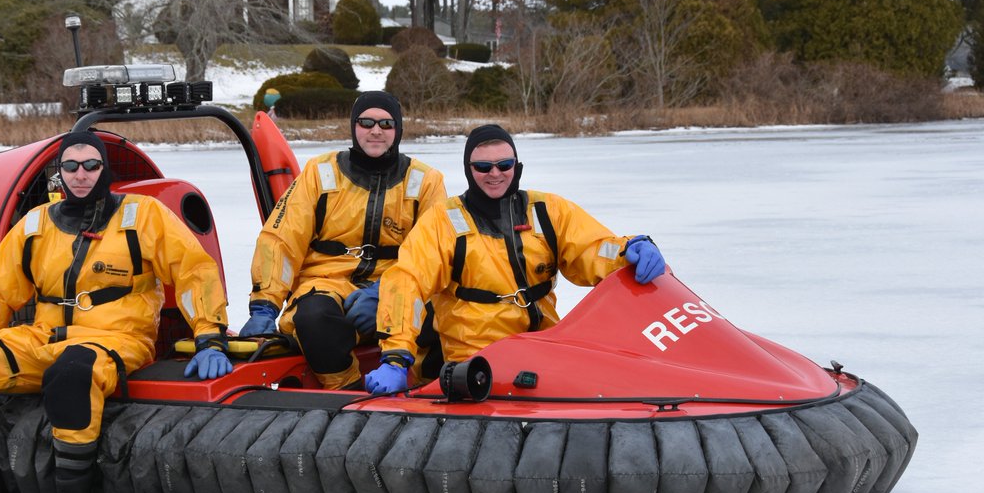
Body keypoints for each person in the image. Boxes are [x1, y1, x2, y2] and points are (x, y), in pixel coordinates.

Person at [0, 131, 233, 493]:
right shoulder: (36, 225)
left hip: (117, 337)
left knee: (72, 370)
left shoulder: (142, 216)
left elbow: (194, 271)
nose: (81, 175)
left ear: (105, 169)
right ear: (59, 173)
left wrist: (209, 336)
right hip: (44, 337)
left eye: (91, 165)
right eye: (71, 167)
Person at [365, 124, 666, 394]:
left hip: (546, 347)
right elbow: (407, 281)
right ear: (469, 169)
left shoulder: (548, 210)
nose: (494, 174)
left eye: (504, 165)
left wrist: (628, 250)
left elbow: (592, 249)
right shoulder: (443, 222)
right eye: (483, 166)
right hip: (476, 360)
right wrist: (395, 357)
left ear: (516, 166)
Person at [239, 91, 446, 389]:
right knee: (312, 319)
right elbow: (281, 239)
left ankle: (428, 390)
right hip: (326, 282)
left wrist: (383, 293)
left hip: (397, 284)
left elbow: (433, 252)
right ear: (354, 126)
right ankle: (347, 392)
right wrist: (264, 306)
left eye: (386, 124)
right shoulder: (319, 173)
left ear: (397, 130)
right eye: (367, 122)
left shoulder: (426, 181)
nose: (376, 131)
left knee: (442, 317)